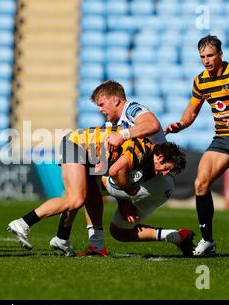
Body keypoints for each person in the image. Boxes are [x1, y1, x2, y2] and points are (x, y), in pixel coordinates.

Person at [7, 123, 187, 255]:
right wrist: (131, 192)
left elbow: (114, 174)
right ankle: (22, 223)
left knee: (88, 194)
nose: (165, 174)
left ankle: (63, 239)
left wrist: (123, 200)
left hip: (90, 152)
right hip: (76, 144)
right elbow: (116, 172)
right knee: (75, 198)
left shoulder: (147, 158)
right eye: (168, 168)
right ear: (160, 156)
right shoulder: (141, 149)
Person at [165, 35, 229, 256]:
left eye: (210, 55)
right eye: (202, 57)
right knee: (200, 183)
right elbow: (192, 110)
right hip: (221, 138)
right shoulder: (200, 81)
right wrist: (181, 124)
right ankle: (207, 241)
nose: (206, 60)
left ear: (220, 54)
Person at [50, 80, 170, 256]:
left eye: (101, 103)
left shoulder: (132, 109)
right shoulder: (112, 125)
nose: (99, 109)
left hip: (158, 176)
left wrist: (122, 135)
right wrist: (123, 201)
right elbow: (111, 166)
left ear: (115, 100)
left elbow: (152, 125)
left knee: (114, 225)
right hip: (148, 177)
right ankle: (95, 245)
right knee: (89, 181)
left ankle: (28, 223)